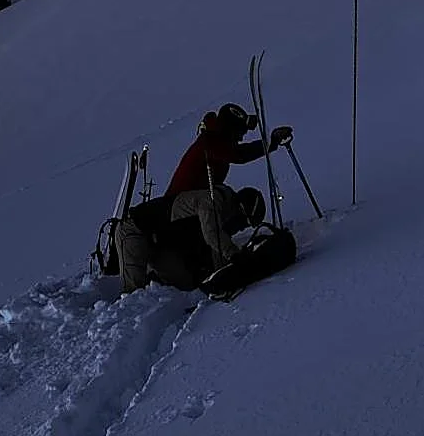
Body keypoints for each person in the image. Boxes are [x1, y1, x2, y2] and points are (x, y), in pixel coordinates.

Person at [117, 184, 266, 294]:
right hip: (135, 231)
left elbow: (216, 248)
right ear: (240, 209)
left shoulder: (222, 215)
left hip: (159, 244)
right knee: (133, 292)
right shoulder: (212, 200)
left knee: (183, 285)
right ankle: (118, 322)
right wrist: (235, 255)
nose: (240, 229)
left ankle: (154, 294)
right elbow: (212, 234)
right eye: (244, 223)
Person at [165, 103, 293, 196]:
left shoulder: (215, 138)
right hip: (180, 206)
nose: (241, 139)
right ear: (230, 130)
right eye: (239, 133)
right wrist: (271, 142)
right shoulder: (210, 140)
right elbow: (239, 154)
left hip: (194, 202)